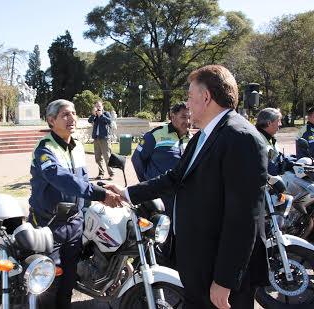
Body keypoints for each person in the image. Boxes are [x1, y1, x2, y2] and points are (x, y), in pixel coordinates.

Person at [106, 65, 268, 309]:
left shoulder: (241, 138)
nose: (187, 105)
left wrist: (225, 280)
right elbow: (174, 178)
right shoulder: (203, 136)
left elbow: (244, 218)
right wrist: (127, 193)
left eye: (190, 97)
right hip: (199, 265)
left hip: (219, 275)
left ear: (206, 97)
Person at [29, 99, 122, 309]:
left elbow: (82, 181)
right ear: (51, 120)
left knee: (69, 280)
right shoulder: (45, 148)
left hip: (74, 223)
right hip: (48, 224)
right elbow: (60, 178)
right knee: (48, 282)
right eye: (65, 115)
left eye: (73, 113)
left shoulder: (77, 146)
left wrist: (103, 192)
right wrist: (99, 194)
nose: (72, 118)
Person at [131, 102, 191, 266]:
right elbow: (137, 160)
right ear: (172, 117)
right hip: (158, 197)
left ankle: (171, 265)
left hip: (179, 197)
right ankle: (146, 266)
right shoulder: (156, 135)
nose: (188, 121)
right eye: (183, 117)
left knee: (176, 231)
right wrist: (148, 185)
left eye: (189, 117)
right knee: (154, 233)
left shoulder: (190, 139)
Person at [88, 101, 114, 180]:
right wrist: (93, 114)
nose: (98, 107)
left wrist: (101, 115)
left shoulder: (106, 114)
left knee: (107, 157)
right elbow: (89, 121)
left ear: (102, 106)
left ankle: (111, 173)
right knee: (98, 157)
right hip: (96, 138)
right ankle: (101, 173)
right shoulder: (94, 115)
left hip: (104, 138)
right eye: (96, 106)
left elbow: (109, 121)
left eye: (99, 106)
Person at [255, 108, 282, 175]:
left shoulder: (270, 137)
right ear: (269, 123)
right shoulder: (258, 141)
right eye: (278, 121)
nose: (280, 124)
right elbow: (267, 169)